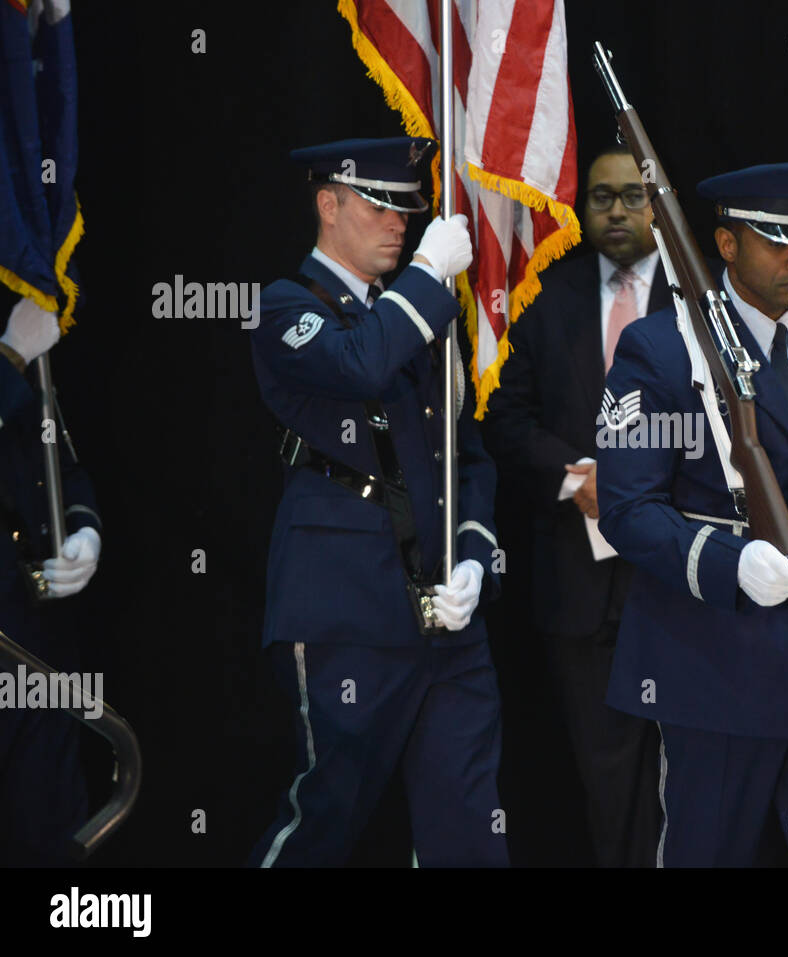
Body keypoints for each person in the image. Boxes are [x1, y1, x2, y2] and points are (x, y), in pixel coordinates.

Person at [597, 163, 788, 867]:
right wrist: (726, 560)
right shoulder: (663, 348)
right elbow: (627, 507)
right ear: (727, 243)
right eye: (777, 240)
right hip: (714, 648)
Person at [247, 137, 506, 867]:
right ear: (327, 205)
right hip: (344, 610)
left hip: (447, 616)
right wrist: (428, 276)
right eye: (380, 204)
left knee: (470, 826)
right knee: (324, 816)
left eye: (409, 206)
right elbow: (356, 364)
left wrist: (476, 560)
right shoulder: (284, 306)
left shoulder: (425, 315)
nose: (401, 221)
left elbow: (470, 456)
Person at [482, 144, 669, 866]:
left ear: (657, 204)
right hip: (580, 587)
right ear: (581, 205)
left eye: (632, 195)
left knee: (693, 774)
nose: (616, 209)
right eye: (600, 196)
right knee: (608, 780)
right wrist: (573, 474)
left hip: (682, 583)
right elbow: (503, 419)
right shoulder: (541, 297)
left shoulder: (702, 300)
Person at [0, 297, 104, 865]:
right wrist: (11, 356)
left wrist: (83, 532)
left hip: (30, 627)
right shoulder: (14, 346)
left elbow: (60, 466)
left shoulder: (17, 323)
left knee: (51, 828)